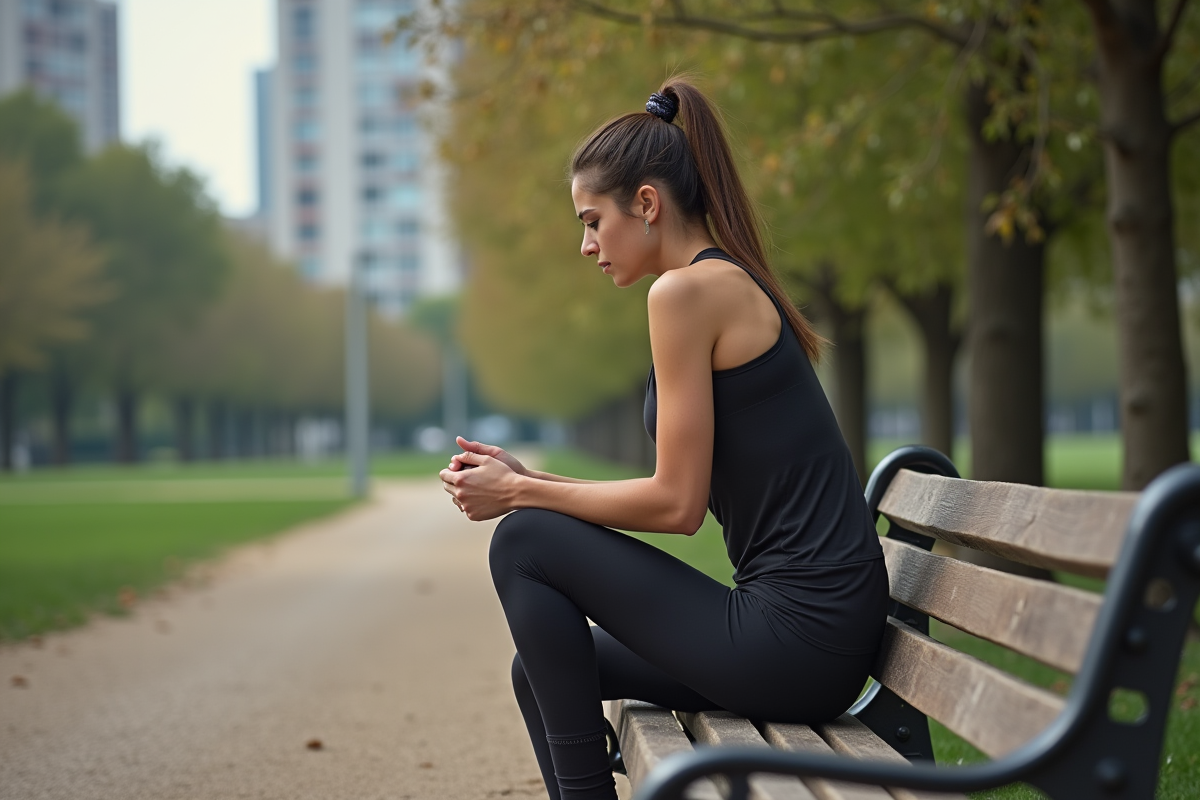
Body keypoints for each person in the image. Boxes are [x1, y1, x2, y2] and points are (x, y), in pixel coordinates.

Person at [439, 78, 889, 800]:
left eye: (593, 221)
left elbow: (677, 506)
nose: (586, 245)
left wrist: (522, 494)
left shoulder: (685, 293)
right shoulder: (718, 282)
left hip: (801, 641)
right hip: (813, 638)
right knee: (541, 668)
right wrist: (533, 481)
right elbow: (679, 491)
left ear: (646, 204)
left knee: (522, 542)